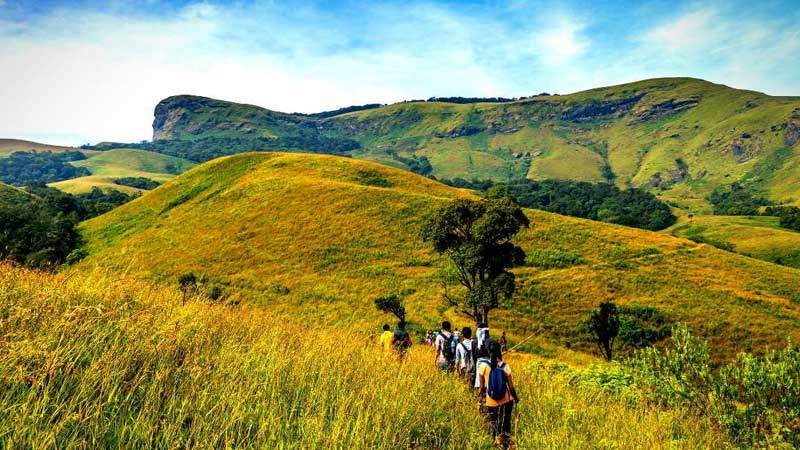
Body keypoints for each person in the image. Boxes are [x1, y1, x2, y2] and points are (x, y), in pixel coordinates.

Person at [478, 341, 518, 449]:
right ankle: (506, 445)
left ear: (488, 351)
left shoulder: (483, 366)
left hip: (491, 401)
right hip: (506, 400)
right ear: (499, 351)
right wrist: (516, 398)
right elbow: (511, 387)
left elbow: (482, 388)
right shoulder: (505, 366)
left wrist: (480, 400)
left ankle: (495, 444)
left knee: (494, 425)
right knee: (506, 424)